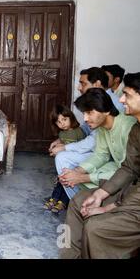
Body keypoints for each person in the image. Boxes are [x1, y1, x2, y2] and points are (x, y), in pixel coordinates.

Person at [60, 73, 140, 259]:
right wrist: (82, 175)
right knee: (77, 202)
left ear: (103, 110)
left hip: (128, 189)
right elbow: (120, 164)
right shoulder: (133, 129)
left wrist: (109, 206)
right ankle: (69, 255)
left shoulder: (128, 126)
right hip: (122, 182)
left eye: (126, 95)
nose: (120, 99)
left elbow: (128, 171)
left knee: (94, 227)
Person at [57, 88, 136, 203]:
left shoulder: (128, 127)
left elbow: (129, 171)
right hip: (119, 168)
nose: (85, 119)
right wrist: (78, 171)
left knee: (88, 179)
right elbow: (101, 155)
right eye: (84, 113)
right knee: (76, 176)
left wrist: (83, 177)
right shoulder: (102, 128)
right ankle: (83, 203)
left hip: (131, 176)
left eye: (89, 112)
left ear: (106, 110)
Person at [49, 67, 111, 200]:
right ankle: (75, 199)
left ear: (97, 84)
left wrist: (64, 147)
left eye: (83, 83)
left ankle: (76, 200)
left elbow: (92, 143)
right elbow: (86, 129)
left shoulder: (108, 105)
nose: (78, 87)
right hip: (98, 152)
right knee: (64, 160)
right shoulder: (98, 105)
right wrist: (61, 141)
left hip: (103, 155)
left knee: (62, 157)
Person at [44, 104, 85, 213]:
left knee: (67, 183)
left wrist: (62, 149)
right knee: (60, 182)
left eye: (64, 119)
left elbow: (81, 148)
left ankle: (63, 202)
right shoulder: (62, 133)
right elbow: (63, 141)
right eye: (58, 122)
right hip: (63, 164)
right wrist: (57, 143)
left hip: (74, 165)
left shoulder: (78, 131)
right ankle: (54, 199)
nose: (62, 124)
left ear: (71, 117)